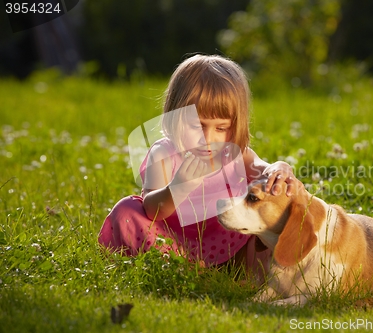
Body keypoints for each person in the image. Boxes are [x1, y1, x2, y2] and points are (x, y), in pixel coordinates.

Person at [98, 54, 302, 279]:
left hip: (227, 240)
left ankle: (249, 274)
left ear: (235, 126)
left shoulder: (232, 153)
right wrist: (178, 187)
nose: (207, 138)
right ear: (174, 117)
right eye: (196, 126)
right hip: (172, 242)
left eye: (221, 128)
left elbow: (262, 168)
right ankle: (180, 268)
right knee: (127, 210)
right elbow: (151, 208)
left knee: (273, 202)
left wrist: (279, 168)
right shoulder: (164, 154)